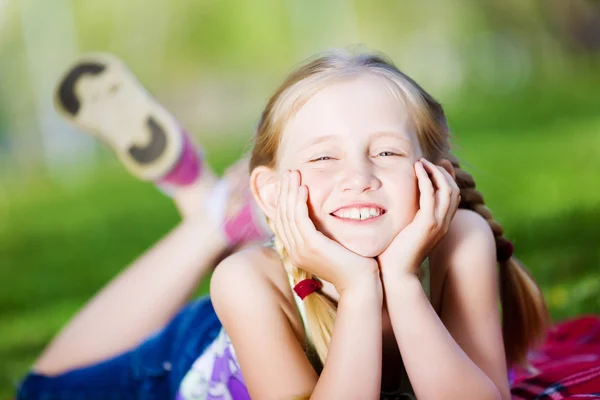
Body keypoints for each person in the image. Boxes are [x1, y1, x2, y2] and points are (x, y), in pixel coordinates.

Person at [17, 50, 550, 399]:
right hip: (194, 355)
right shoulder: (245, 282)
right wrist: (361, 289)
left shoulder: (460, 242)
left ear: (435, 174)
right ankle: (213, 217)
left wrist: (403, 284)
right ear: (274, 190)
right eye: (323, 159)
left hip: (284, 282)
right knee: (39, 392)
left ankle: (213, 201)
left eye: (386, 152)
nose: (359, 177)